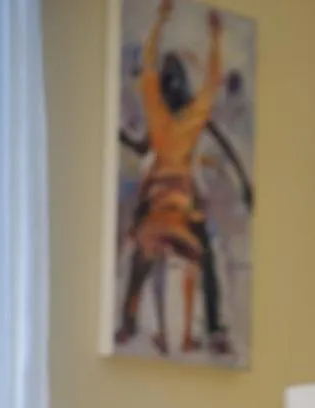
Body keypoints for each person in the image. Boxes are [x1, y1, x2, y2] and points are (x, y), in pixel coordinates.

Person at [115, 0, 223, 353]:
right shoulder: (190, 122)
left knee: (140, 261)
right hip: (180, 213)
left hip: (160, 212)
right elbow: (213, 80)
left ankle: (128, 321)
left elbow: (148, 65)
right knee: (205, 261)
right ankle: (214, 327)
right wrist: (216, 37)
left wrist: (160, 22)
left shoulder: (158, 117)